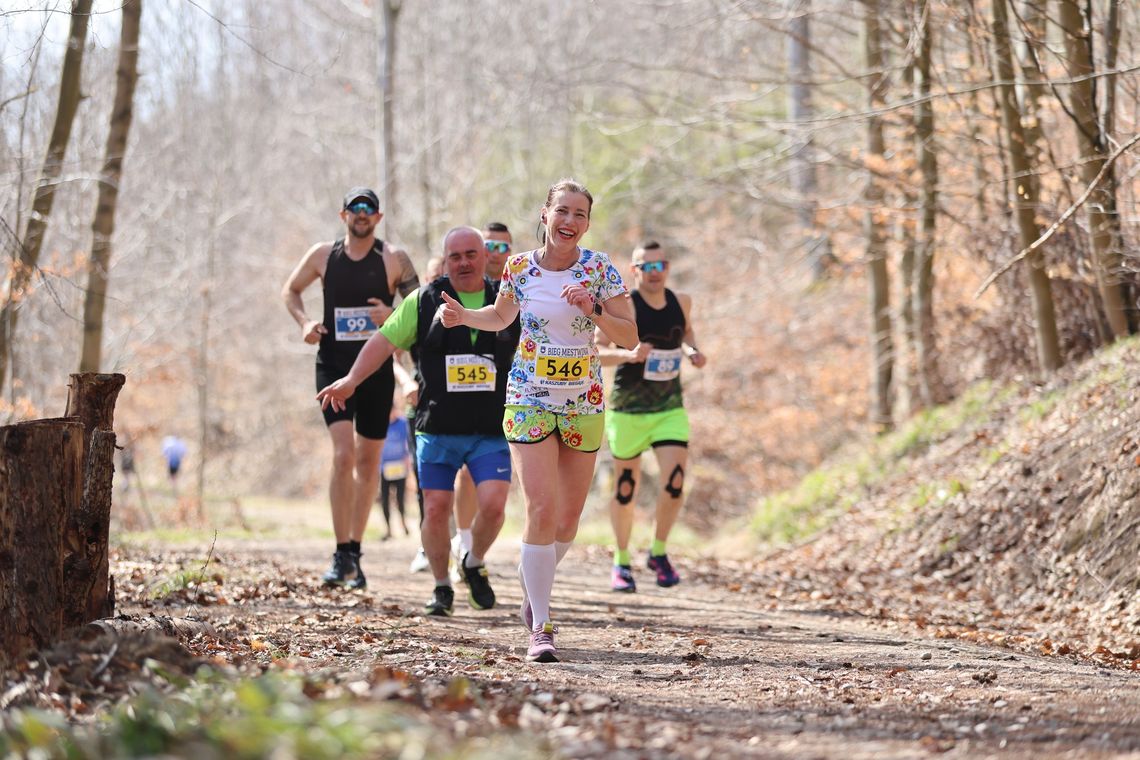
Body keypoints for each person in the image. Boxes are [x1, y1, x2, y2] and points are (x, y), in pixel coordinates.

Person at [440, 178, 637, 663]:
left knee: (567, 520)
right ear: (545, 214)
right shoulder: (518, 267)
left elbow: (629, 336)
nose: (570, 221)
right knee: (541, 509)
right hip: (529, 396)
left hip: (583, 400)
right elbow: (500, 317)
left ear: (586, 224)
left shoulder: (600, 269)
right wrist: (465, 318)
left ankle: (534, 582)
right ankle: (541, 626)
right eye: (562, 211)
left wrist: (593, 309)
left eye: (580, 214)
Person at [318, 226, 520, 616]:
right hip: (438, 427)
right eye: (455, 256)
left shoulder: (506, 299)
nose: (463, 263)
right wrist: (351, 379)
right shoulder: (424, 300)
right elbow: (382, 342)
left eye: (471, 254)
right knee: (436, 508)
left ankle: (473, 561)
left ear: (485, 256)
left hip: (489, 428)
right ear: (445, 261)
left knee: (495, 506)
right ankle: (442, 586)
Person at [282, 187, 419, 590]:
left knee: (368, 462)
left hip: (376, 371)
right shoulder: (323, 256)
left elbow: (421, 307)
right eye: (355, 208)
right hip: (333, 366)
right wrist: (305, 323)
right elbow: (290, 290)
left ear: (378, 217)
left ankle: (355, 553)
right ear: (343, 215)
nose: (362, 213)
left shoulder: (393, 258)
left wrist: (392, 313)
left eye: (369, 208)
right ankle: (340, 551)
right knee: (343, 455)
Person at [597, 241, 708, 592]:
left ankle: (658, 553)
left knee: (674, 481)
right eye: (646, 267)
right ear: (635, 271)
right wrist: (628, 355)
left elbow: (686, 332)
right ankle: (621, 560)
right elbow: (596, 351)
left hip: (668, 408)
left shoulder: (681, 301)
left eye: (660, 266)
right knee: (625, 489)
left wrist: (692, 350)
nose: (654, 273)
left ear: (668, 268)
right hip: (628, 410)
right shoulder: (625, 306)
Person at [451, 222, 516, 572]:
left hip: (506, 392)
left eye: (503, 247)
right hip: (460, 390)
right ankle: (461, 541)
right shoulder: (460, 285)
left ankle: (475, 550)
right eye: (489, 246)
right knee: (465, 471)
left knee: (492, 481)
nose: (495, 253)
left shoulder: (519, 287)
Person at [378, 403, 411, 539]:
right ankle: (388, 529)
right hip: (384, 468)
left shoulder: (403, 423)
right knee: (384, 499)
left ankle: (403, 523)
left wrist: (408, 459)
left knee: (400, 498)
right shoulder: (380, 424)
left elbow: (408, 441)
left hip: (399, 467)